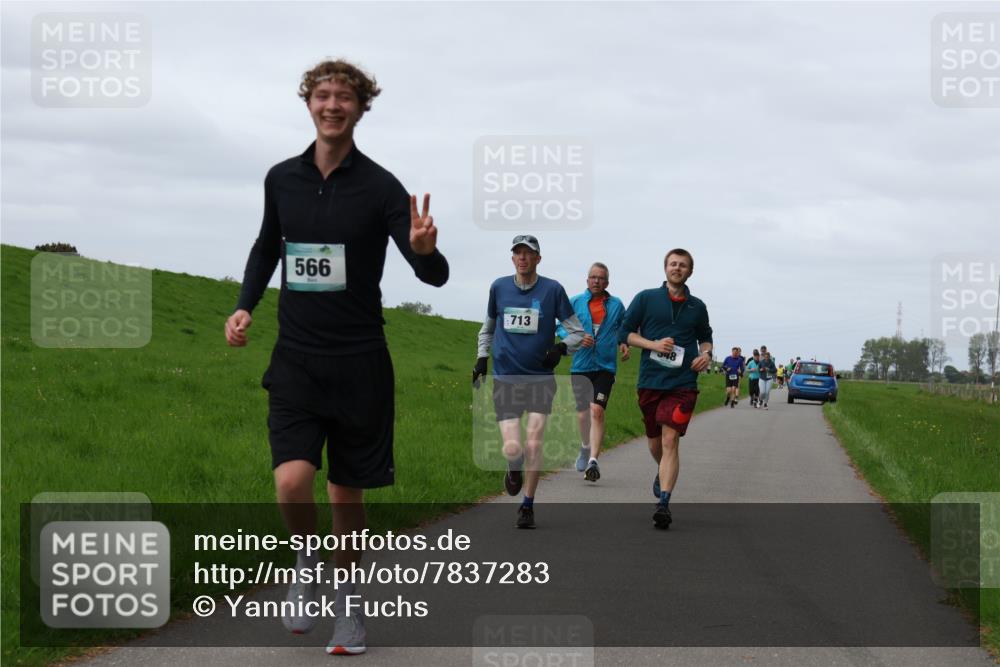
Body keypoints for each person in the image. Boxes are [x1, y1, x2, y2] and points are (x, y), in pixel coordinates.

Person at [224, 59, 449, 656]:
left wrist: (426, 251)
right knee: (292, 479)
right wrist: (245, 305)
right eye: (322, 95)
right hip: (296, 358)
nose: (332, 105)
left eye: (343, 97)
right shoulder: (281, 179)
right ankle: (306, 559)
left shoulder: (380, 188)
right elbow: (267, 245)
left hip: (359, 364)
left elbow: (433, 275)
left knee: (347, 499)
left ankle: (349, 613)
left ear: (360, 107)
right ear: (308, 103)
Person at [472, 235, 585, 528]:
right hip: (506, 377)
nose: (523, 258)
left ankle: (527, 505)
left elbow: (577, 332)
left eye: (528, 253)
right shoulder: (498, 287)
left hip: (539, 379)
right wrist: (481, 358)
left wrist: (560, 348)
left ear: (538, 259)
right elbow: (488, 328)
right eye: (518, 253)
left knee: (534, 444)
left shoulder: (553, 290)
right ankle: (513, 468)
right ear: (512, 259)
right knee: (513, 448)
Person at [620, 248, 713, 529]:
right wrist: (653, 345)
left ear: (690, 271)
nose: (677, 268)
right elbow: (625, 333)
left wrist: (706, 354)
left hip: (683, 384)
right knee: (655, 441)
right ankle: (662, 471)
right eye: (673, 264)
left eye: (683, 265)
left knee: (671, 440)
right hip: (650, 381)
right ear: (665, 268)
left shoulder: (698, 306)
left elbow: (706, 339)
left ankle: (664, 503)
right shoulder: (646, 298)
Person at [558, 263, 629, 482]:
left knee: (597, 410)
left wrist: (624, 343)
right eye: (593, 277)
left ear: (607, 282)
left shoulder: (616, 305)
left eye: (601, 278)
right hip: (580, 365)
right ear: (587, 280)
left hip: (605, 366)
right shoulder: (575, 302)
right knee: (582, 414)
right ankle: (584, 447)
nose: (596, 281)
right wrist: (577, 338)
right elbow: (561, 327)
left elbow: (624, 328)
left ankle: (593, 461)